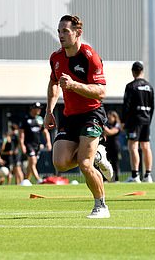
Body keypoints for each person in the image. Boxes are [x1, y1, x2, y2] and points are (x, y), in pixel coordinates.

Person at [45, 14, 112, 219]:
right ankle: (97, 154)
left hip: (92, 113)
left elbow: (101, 92)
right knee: (60, 162)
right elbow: (53, 83)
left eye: (65, 31)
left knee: (84, 163)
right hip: (70, 115)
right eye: (59, 31)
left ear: (77, 33)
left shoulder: (89, 55)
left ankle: (101, 206)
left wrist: (74, 85)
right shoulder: (56, 58)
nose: (61, 35)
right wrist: (49, 111)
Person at [122, 61, 154, 183]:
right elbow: (152, 105)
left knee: (133, 146)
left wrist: (124, 120)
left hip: (135, 120)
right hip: (146, 119)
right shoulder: (149, 86)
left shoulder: (131, 86)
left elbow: (127, 105)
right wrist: (149, 120)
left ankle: (135, 175)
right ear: (142, 71)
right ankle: (148, 175)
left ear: (133, 71)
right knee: (146, 146)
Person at [19, 102, 52, 184]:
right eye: (37, 108)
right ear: (32, 109)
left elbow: (45, 131)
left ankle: (26, 181)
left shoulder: (40, 119)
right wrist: (22, 144)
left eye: (40, 108)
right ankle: (38, 180)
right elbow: (21, 133)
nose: (39, 110)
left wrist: (48, 142)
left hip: (37, 144)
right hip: (28, 144)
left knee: (31, 164)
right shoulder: (26, 119)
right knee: (32, 161)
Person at [99, 110, 122, 182]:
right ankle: (105, 179)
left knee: (115, 163)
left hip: (115, 147)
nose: (109, 119)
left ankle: (116, 179)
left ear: (115, 117)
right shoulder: (107, 124)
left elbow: (110, 132)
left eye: (110, 118)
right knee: (105, 163)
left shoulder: (117, 125)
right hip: (107, 147)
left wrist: (103, 127)